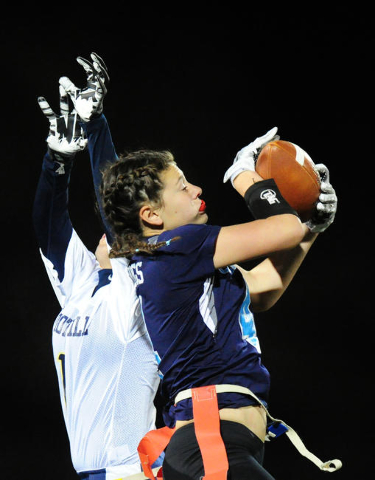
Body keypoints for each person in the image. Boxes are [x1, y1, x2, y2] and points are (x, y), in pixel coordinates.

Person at [98, 125, 338, 479]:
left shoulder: (172, 260)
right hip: (211, 441)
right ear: (151, 215)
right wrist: (243, 175)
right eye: (182, 186)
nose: (196, 190)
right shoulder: (178, 246)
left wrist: (312, 228)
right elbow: (285, 228)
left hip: (212, 443)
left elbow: (263, 286)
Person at [33, 54, 162, 480]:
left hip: (128, 471)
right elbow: (49, 228)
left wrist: (95, 124)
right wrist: (57, 161)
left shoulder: (137, 287)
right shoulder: (83, 285)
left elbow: (117, 207)